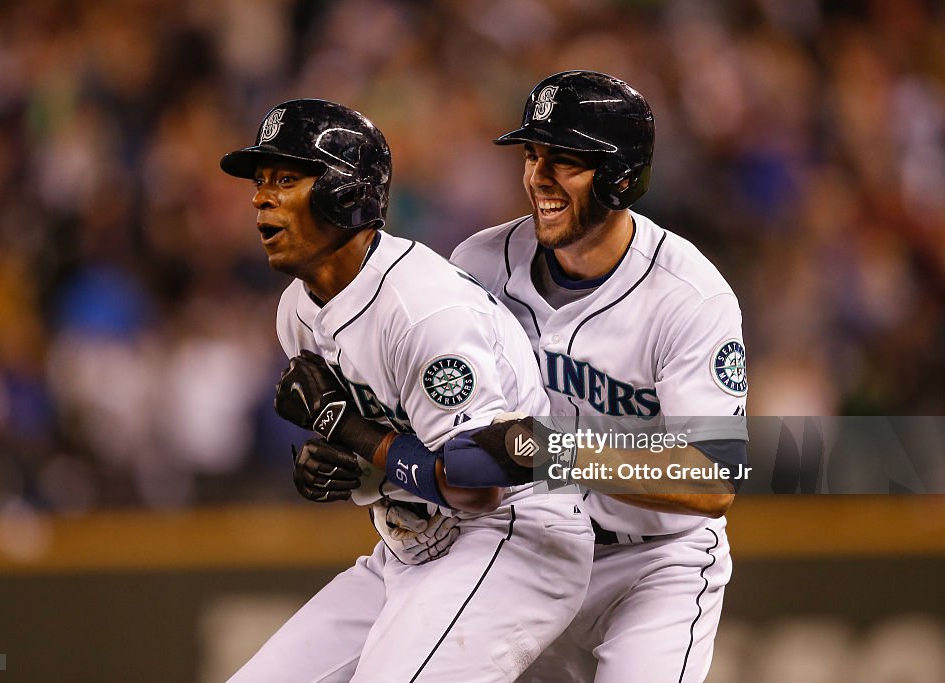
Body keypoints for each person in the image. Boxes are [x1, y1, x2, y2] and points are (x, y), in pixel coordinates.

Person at [220, 98, 594, 683]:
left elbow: (477, 487)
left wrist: (346, 428)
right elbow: (383, 453)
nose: (260, 198)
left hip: (512, 538)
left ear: (344, 193)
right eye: (260, 181)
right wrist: (343, 466)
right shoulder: (296, 309)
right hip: (409, 548)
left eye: (285, 179)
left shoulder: (423, 310)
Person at [443, 71, 749, 682]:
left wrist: (552, 453)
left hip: (655, 563)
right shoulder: (477, 264)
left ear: (621, 176)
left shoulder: (689, 295)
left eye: (565, 160)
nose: (538, 176)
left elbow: (713, 474)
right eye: (532, 155)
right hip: (525, 549)